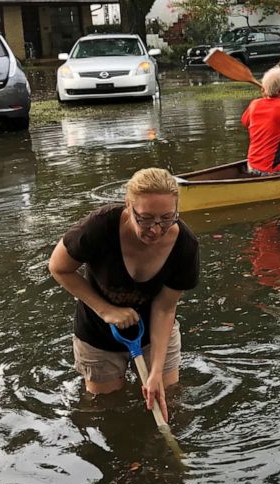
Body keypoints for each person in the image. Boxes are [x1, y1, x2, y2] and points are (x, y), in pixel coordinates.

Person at [48, 168, 199, 421]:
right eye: (146, 219)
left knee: (168, 399)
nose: (156, 229)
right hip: (98, 332)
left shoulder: (185, 245)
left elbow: (164, 309)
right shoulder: (100, 226)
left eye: (166, 218)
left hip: (155, 332)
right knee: (106, 409)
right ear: (129, 206)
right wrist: (106, 310)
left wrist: (155, 371)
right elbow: (58, 267)